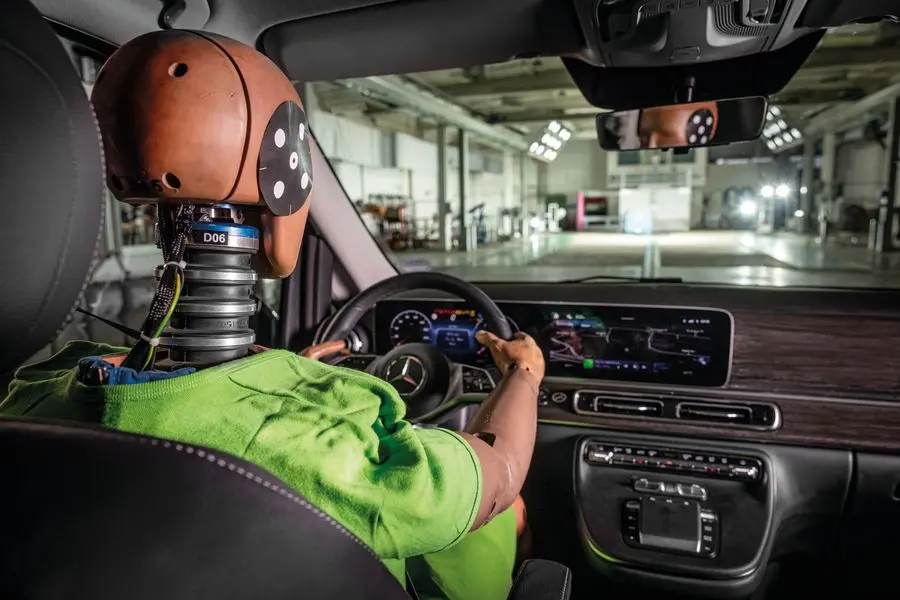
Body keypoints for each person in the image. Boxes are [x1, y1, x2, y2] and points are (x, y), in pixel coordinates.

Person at [0, 30, 545, 600]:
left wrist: (283, 373)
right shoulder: (325, 446)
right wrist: (523, 377)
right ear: (283, 186)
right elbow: (498, 477)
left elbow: (194, 406)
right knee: (517, 513)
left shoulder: (35, 398)